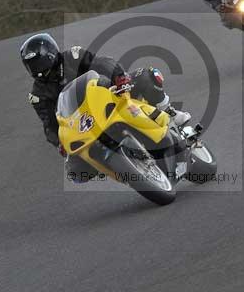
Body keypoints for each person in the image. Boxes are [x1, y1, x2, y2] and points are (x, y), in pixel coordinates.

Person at [20, 33, 191, 181]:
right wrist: (60, 144)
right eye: (30, 65)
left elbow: (102, 62)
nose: (35, 68)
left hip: (111, 93)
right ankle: (116, 166)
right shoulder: (38, 94)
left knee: (147, 75)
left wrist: (119, 76)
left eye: (37, 62)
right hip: (84, 122)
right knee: (75, 171)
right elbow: (50, 123)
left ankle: (169, 111)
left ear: (49, 54)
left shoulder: (73, 56)